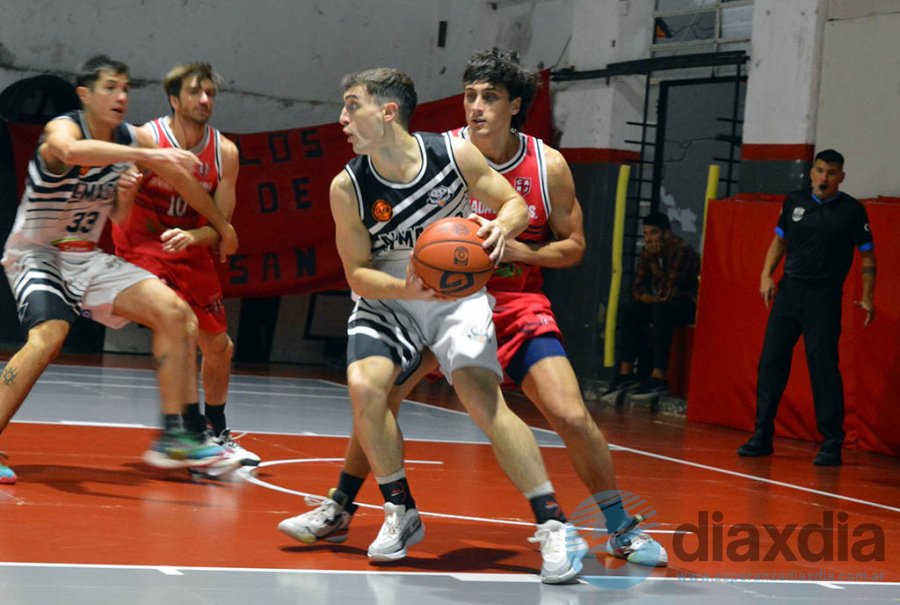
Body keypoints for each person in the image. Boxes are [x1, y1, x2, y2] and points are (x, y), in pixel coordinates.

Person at [278, 52, 667, 571]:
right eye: (469, 96)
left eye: (488, 98)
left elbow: (573, 247)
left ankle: (618, 527)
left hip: (512, 299)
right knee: (374, 395)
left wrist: (511, 245)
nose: (475, 108)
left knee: (570, 414)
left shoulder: (543, 165)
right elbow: (363, 265)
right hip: (428, 297)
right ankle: (346, 504)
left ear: (515, 106)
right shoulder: (436, 150)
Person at [0, 55, 239, 485]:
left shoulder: (132, 138)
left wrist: (222, 225)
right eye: (110, 88)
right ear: (85, 95)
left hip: (87, 257)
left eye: (126, 89)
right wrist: (143, 153)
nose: (121, 97)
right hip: (38, 254)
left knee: (176, 314)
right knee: (50, 335)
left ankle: (179, 435)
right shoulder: (65, 128)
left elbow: (170, 188)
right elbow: (72, 152)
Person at [111, 63, 258, 468]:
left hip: (191, 252)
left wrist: (195, 236)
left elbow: (223, 230)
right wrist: (124, 193)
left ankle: (215, 431)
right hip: (142, 247)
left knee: (219, 348)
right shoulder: (146, 137)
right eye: (195, 92)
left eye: (210, 92)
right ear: (174, 100)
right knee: (181, 325)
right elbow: (118, 218)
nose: (205, 100)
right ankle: (179, 432)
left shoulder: (224, 152)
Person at [738, 149, 875, 467]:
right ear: (811, 173)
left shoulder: (852, 211)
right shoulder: (794, 202)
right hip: (789, 292)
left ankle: (831, 443)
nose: (824, 178)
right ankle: (761, 436)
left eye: (831, 173)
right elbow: (779, 241)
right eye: (820, 171)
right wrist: (765, 275)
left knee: (823, 366)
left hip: (824, 297)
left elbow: (868, 255)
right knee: (772, 361)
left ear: (841, 177)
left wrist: (867, 295)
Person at [603, 211, 699, 401]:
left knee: (662, 311)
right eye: (646, 234)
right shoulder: (648, 252)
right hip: (661, 303)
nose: (649, 239)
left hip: (686, 303)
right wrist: (647, 298)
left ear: (666, 234)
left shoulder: (682, 250)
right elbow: (638, 287)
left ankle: (659, 377)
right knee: (631, 311)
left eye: (654, 233)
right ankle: (626, 372)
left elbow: (668, 289)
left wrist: (652, 261)